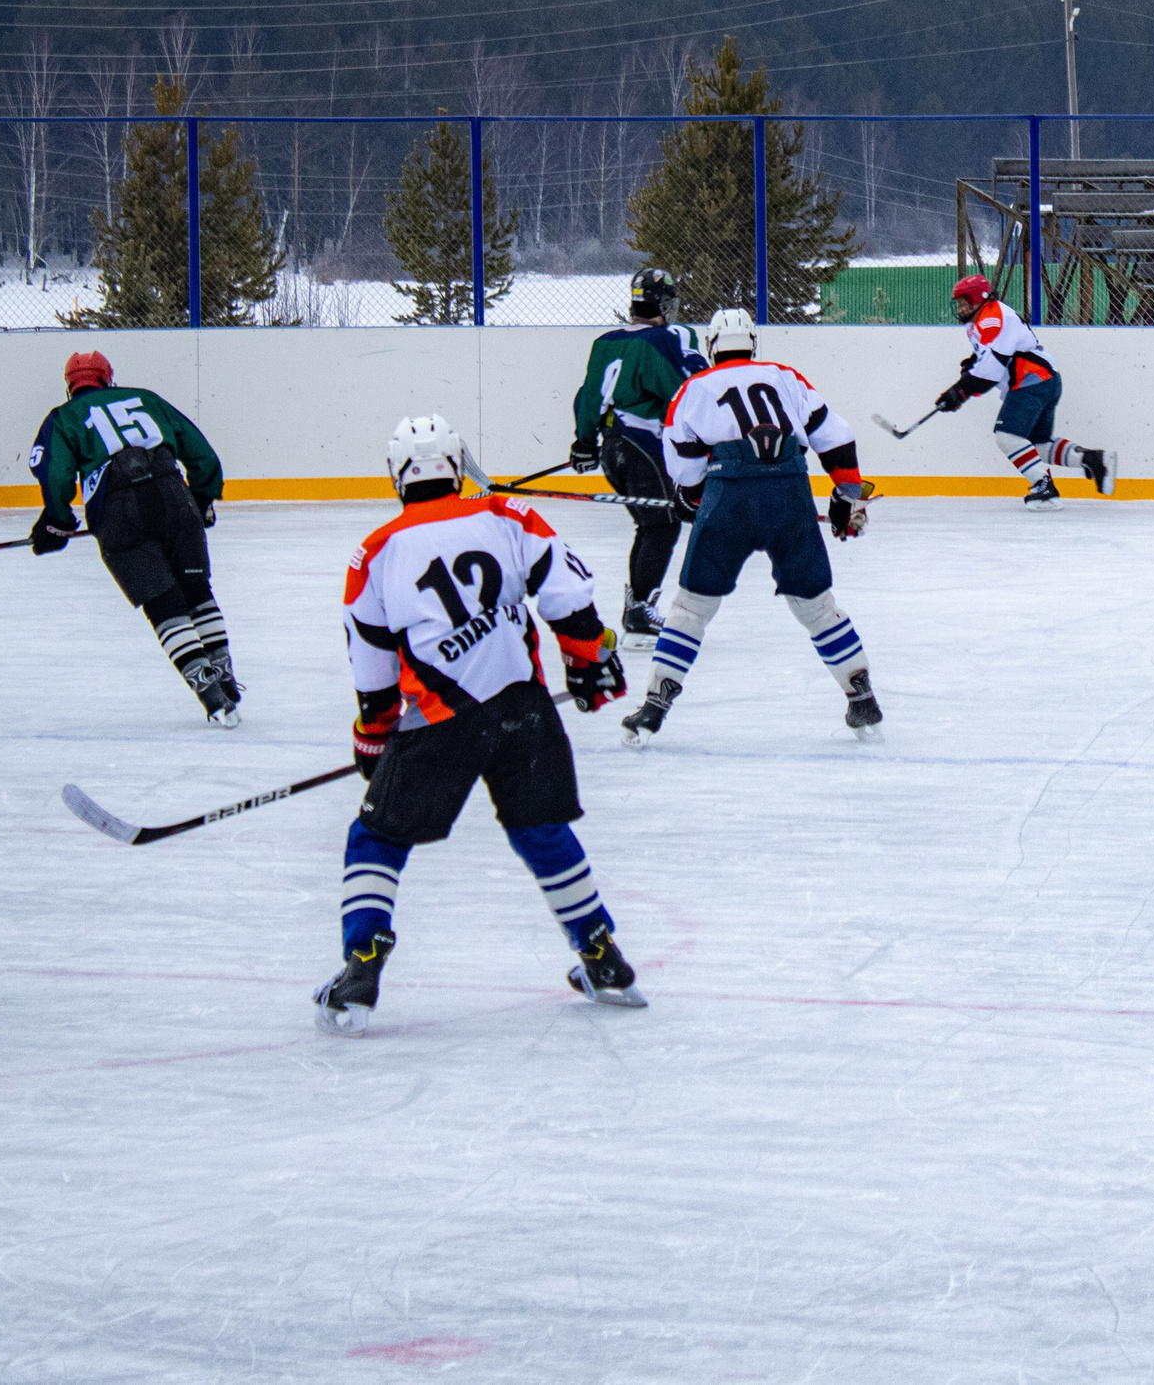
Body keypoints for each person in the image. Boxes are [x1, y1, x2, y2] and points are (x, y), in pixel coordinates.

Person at [315, 414, 639, 1035]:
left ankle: (361, 966)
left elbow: (372, 663)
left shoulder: (376, 552)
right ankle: (603, 958)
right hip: (524, 709)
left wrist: (374, 734)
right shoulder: (504, 516)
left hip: (441, 723)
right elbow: (566, 592)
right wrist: (589, 657)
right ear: (457, 466)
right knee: (542, 830)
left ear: (397, 476)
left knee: (376, 839)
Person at [622, 308, 882, 745]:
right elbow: (837, 437)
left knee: (691, 609)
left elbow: (684, 470)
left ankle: (655, 704)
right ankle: (862, 696)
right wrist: (844, 497)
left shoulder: (693, 387)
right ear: (752, 344)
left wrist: (696, 500)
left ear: (711, 346)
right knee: (816, 605)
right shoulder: (784, 376)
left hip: (729, 495)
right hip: (790, 493)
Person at [26, 350, 240, 726]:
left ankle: (210, 692)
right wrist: (201, 497)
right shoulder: (145, 397)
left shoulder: (63, 417)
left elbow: (56, 473)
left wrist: (56, 522)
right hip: (175, 495)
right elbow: (201, 451)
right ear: (109, 377)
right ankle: (224, 676)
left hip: (119, 509)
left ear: (70, 385)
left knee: (163, 601)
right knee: (196, 591)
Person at [568, 268, 708, 642]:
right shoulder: (659, 342)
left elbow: (587, 397)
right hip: (642, 444)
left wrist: (584, 443)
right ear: (664, 304)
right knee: (662, 524)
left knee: (652, 524)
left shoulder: (605, 342)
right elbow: (682, 394)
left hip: (614, 448)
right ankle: (640, 609)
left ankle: (638, 605)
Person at [932, 274, 1117, 510]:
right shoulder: (981, 321)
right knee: (1038, 445)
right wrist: (966, 380)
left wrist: (960, 392)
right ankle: (1094, 460)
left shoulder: (993, 317)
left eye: (964, 301)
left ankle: (1044, 487)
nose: (961, 306)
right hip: (1044, 380)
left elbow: (990, 371)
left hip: (1032, 381)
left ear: (980, 298)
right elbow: (985, 361)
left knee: (1007, 436)